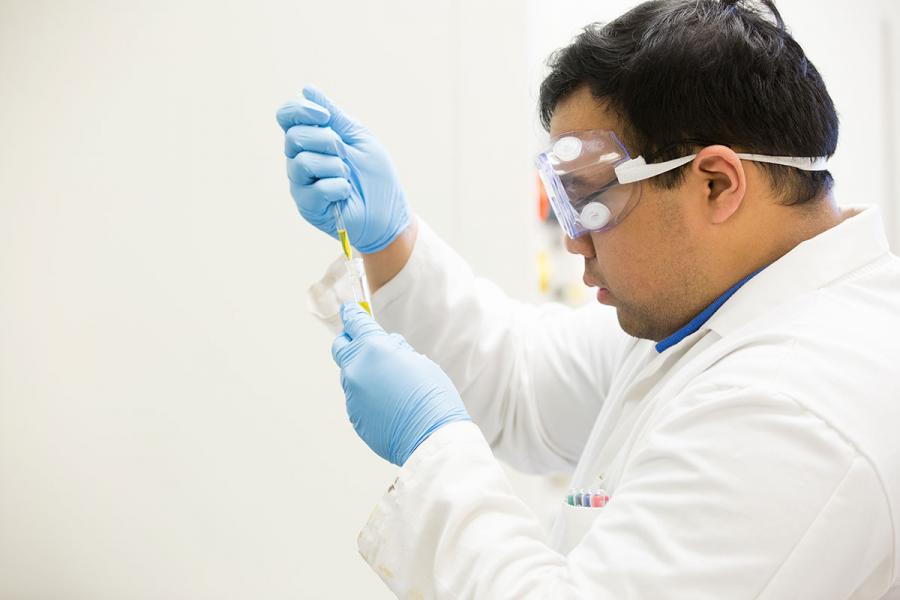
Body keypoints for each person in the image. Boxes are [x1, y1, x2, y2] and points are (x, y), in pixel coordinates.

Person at [276, 0, 900, 597]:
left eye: (590, 199)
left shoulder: (796, 405)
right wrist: (391, 241)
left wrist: (431, 442)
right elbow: (521, 381)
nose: (574, 241)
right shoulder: (714, 315)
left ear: (716, 184)